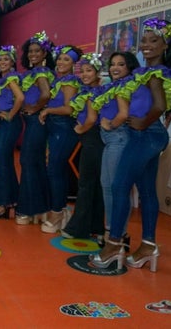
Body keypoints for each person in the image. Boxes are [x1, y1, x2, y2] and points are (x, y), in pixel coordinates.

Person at [91, 18, 171, 272]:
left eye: (154, 41)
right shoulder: (143, 73)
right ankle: (148, 245)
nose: (146, 45)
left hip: (147, 136)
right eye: (144, 40)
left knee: (119, 185)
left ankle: (114, 245)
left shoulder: (156, 73)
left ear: (165, 45)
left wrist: (143, 123)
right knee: (146, 192)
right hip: (147, 136)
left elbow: (160, 106)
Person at [92, 51, 139, 245]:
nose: (115, 68)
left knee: (116, 188)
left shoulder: (125, 85)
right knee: (107, 185)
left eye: (121, 64)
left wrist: (110, 125)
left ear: (129, 67)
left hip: (118, 138)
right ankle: (114, 230)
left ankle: (116, 233)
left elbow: (124, 114)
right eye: (112, 64)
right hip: (111, 140)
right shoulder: (114, 86)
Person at [38, 45, 82, 233]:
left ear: (73, 64)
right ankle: (61, 210)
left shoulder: (70, 82)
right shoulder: (59, 80)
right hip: (55, 128)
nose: (61, 62)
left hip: (63, 128)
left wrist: (47, 110)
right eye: (60, 58)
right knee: (58, 170)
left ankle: (57, 214)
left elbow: (69, 108)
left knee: (54, 170)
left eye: (67, 59)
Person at [61, 53, 105, 240]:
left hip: (92, 139)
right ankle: (96, 226)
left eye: (89, 71)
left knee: (86, 184)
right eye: (83, 71)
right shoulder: (96, 91)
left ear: (98, 73)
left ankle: (77, 228)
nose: (85, 74)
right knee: (95, 184)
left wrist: (80, 129)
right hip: (95, 141)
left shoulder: (92, 93)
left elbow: (92, 119)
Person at [16, 31, 55, 225]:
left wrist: (34, 108)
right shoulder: (35, 72)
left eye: (37, 51)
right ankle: (41, 209)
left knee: (28, 161)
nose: (33, 54)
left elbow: (46, 94)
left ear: (44, 53)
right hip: (32, 123)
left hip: (36, 123)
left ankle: (29, 209)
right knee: (35, 163)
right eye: (30, 51)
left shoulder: (41, 72)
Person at [0, 45, 24, 219]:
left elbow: (20, 98)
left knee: (1, 161)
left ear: (12, 62)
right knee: (6, 161)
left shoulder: (11, 78)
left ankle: (1, 203)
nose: (2, 62)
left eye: (6, 59)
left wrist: (10, 114)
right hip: (1, 123)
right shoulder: (0, 80)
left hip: (9, 123)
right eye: (0, 59)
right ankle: (13, 200)